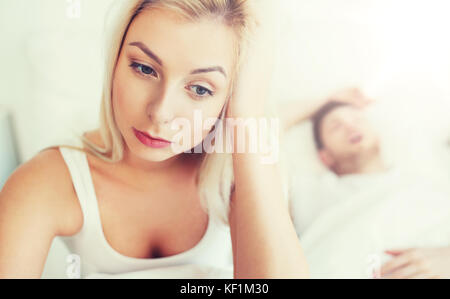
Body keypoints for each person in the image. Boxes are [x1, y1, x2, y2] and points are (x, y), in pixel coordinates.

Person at [0, 0, 308, 279]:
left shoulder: (241, 171)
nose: (160, 113)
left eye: (200, 89)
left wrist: (247, 114)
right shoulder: (51, 180)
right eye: (144, 68)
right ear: (116, 59)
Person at [281, 88, 450, 278]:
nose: (351, 128)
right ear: (325, 156)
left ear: (377, 134)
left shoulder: (427, 186)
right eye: (336, 127)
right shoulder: (308, 191)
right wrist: (327, 99)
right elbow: (259, 129)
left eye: (358, 120)